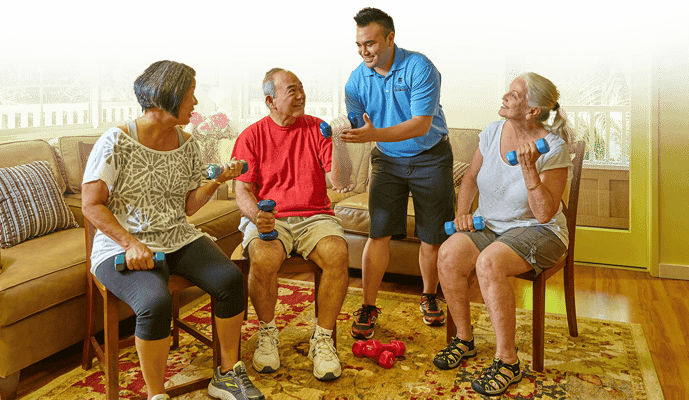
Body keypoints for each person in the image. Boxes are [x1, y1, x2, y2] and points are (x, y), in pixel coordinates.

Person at [81, 60, 264, 400]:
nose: (196, 103)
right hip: (121, 246)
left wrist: (215, 181)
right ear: (169, 95)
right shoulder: (116, 141)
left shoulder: (187, 143)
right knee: (155, 300)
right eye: (192, 95)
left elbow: (188, 207)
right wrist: (130, 242)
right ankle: (156, 394)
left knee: (229, 279)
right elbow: (91, 205)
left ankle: (226, 373)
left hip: (177, 237)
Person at [433, 72, 574, 396]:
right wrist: (463, 213)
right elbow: (470, 177)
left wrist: (527, 169)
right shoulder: (493, 131)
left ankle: (508, 361)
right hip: (492, 223)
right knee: (449, 255)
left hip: (539, 230)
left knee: (489, 263)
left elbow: (544, 213)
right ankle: (465, 339)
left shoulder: (552, 148)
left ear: (532, 110)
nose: (505, 97)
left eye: (514, 94)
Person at [232, 67, 352, 382]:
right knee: (262, 256)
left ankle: (322, 340)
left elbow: (339, 180)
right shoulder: (252, 135)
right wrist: (256, 215)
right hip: (272, 217)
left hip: (316, 215)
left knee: (338, 254)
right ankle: (268, 333)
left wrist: (337, 142)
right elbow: (242, 189)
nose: (300, 96)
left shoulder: (318, 128)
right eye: (292, 90)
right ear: (271, 100)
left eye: (301, 89)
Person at [341, 7, 453, 338]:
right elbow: (356, 121)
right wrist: (335, 129)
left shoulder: (420, 68)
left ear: (390, 38)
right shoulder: (356, 79)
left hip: (431, 156)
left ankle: (429, 296)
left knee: (432, 236)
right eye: (359, 45)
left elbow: (420, 125)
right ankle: (368, 304)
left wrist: (372, 135)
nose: (364, 52)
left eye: (371, 44)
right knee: (379, 234)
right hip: (388, 161)